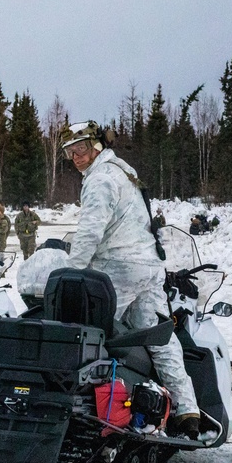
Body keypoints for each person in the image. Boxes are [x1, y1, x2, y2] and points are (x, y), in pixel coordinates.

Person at [60, 120, 200, 439]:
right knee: (158, 335)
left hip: (118, 266)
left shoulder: (100, 179)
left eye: (80, 149)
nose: (76, 157)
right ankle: (186, 408)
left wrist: (72, 274)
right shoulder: (125, 172)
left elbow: (90, 231)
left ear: (97, 146)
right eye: (70, 152)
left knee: (86, 334)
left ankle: (85, 411)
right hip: (148, 266)